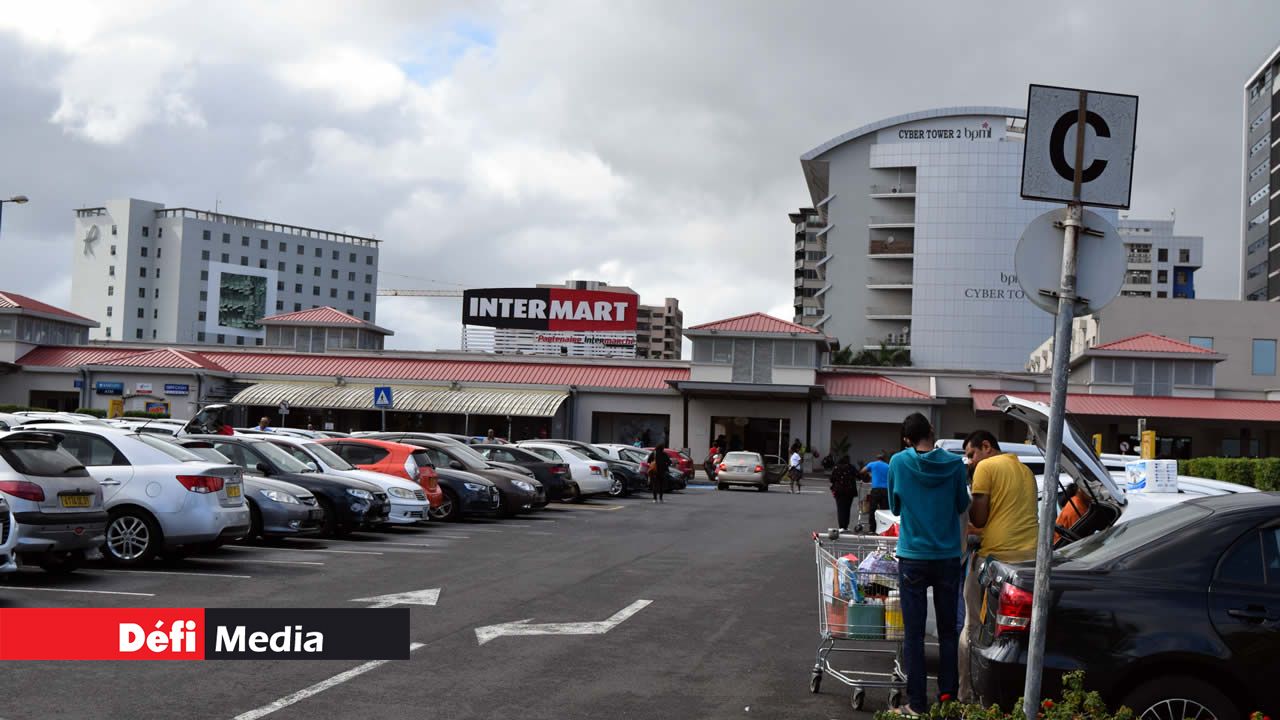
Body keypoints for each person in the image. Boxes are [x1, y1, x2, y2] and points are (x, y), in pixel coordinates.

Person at [887, 413, 969, 716]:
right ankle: (947, 702)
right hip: (947, 557)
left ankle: (917, 704)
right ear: (932, 431)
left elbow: (895, 506)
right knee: (949, 632)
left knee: (914, 634)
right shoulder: (955, 464)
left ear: (907, 439)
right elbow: (962, 503)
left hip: (913, 557)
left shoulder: (898, 462)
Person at [958, 430, 1039, 703]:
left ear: (986, 446)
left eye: (971, 454)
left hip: (994, 562)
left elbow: (979, 519)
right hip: (1028, 563)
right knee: (1009, 637)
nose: (969, 461)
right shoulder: (1026, 472)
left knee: (972, 626)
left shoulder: (986, 467)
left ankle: (966, 693)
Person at [828, 455, 859, 531]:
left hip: (839, 491)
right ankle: (846, 526)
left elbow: (832, 479)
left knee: (840, 508)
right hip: (850, 491)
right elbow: (858, 475)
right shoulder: (851, 467)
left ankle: (841, 526)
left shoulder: (836, 468)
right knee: (847, 508)